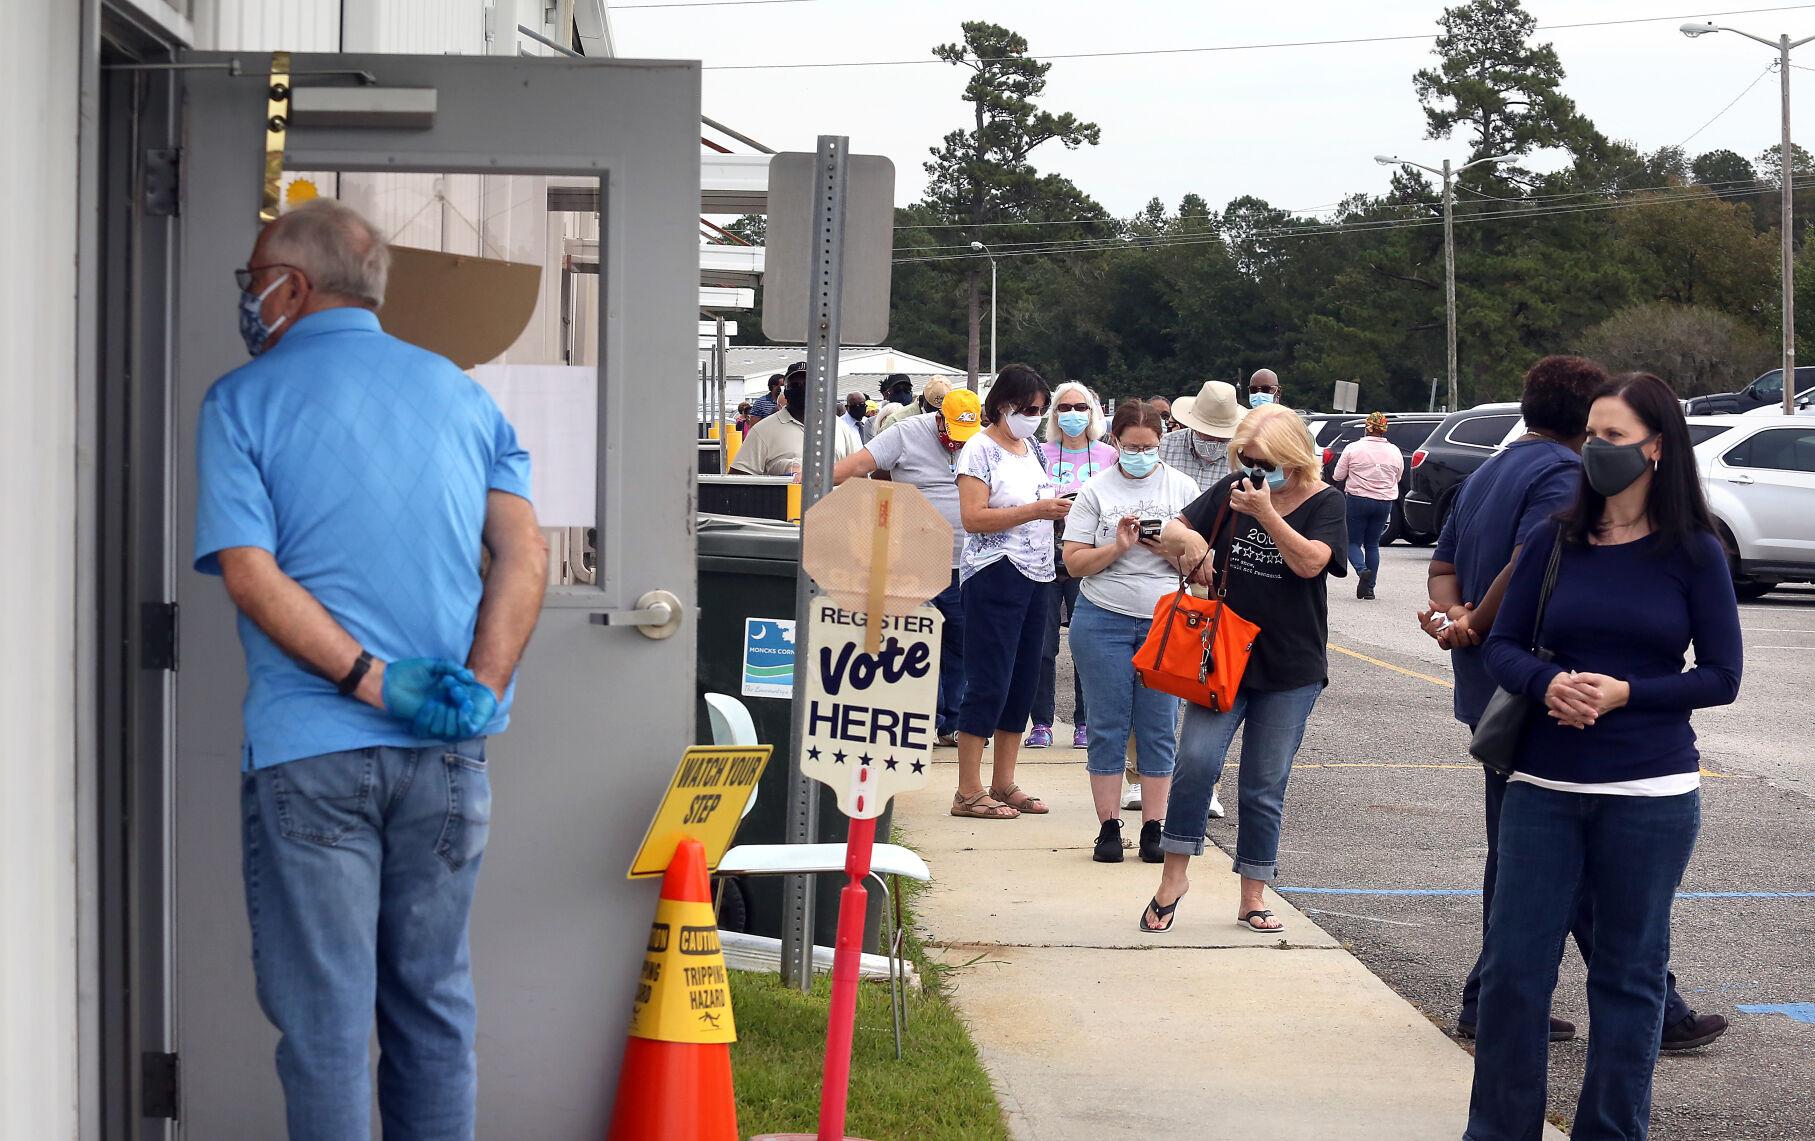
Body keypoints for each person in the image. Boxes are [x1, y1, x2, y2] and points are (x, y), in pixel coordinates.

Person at [196, 199, 548, 1137]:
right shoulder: (463, 394)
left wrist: (363, 678)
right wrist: (481, 683)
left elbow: (248, 568)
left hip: (310, 751)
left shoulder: (242, 400)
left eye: (253, 279)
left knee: (325, 1026)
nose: (250, 298)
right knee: (432, 1007)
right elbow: (524, 553)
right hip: (447, 751)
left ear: (293, 286)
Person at [1419, 355, 1726, 1054]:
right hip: (1537, 711)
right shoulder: (1562, 480)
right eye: (1593, 430)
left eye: (1609, 434)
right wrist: (1477, 627)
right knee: (1556, 880)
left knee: (1533, 875)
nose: (1596, 450)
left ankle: (1494, 997)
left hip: (1503, 708)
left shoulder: (1489, 469)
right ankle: (1636, 1006)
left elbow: (1443, 568)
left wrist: (1453, 619)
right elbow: (1523, 565)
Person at [1142, 403, 1347, 933]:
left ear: (1292, 457)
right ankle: (1174, 877)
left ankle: (1253, 893)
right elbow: (1173, 529)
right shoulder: (1236, 488)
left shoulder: (1327, 502)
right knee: (1194, 762)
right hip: (1223, 657)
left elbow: (1311, 563)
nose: (1254, 472)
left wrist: (1266, 513)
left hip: (1291, 666)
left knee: (1263, 782)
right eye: (1246, 460)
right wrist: (1190, 548)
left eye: (1263, 461)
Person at [1062, 400, 1200, 863]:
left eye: (1149, 447)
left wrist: (1166, 551)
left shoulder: (1182, 487)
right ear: (1114, 442)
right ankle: (1108, 828)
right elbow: (1075, 562)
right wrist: (1117, 548)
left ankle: (1154, 828)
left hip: (1165, 617)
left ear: (1161, 443)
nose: (1139, 454)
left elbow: (1202, 566)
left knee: (1160, 723)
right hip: (1103, 614)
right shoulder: (1095, 490)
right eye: (1130, 446)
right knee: (1107, 724)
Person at [833, 388, 984, 748]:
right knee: (917, 645)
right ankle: (920, 720)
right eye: (952, 434)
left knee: (962, 647)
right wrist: (807, 480)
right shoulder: (906, 432)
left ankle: (954, 723)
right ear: (938, 415)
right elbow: (856, 467)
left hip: (967, 564)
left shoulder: (981, 441)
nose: (956, 444)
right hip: (915, 564)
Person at [950, 363, 1069, 820]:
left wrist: (1056, 508)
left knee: (1024, 677)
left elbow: (1040, 502)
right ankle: (967, 788)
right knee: (989, 678)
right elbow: (974, 518)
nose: (1034, 416)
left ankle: (1003, 781)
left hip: (1038, 573)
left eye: (1040, 410)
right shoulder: (979, 450)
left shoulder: (1032, 447)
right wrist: (1036, 509)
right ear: (1003, 405)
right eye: (1027, 409)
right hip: (994, 571)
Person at [1149, 379, 1246, 816]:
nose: (1212, 442)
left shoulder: (1243, 458)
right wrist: (1183, 553)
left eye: (1220, 436)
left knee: (1212, 684)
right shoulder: (1163, 448)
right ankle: (1143, 772)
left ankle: (1207, 781)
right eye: (1206, 432)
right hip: (1165, 571)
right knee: (1162, 675)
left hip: (1222, 582)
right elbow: (1154, 518)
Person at [1028, 382, 1117, 750]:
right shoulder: (1039, 452)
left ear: (1093, 412)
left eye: (1080, 407)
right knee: (1042, 646)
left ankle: (1085, 721)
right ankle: (1041, 723)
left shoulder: (1108, 456)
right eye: (1064, 408)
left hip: (1089, 561)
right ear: (1053, 414)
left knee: (1087, 646)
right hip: (1043, 557)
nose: (1072, 414)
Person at [729, 363, 861, 476]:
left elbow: (859, 474)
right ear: (785, 392)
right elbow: (738, 480)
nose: (802, 389)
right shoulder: (762, 431)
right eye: (795, 385)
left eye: (809, 384)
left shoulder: (841, 428)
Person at [1334, 411, 1404, 600]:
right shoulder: (1395, 451)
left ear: (1367, 427)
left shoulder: (1353, 448)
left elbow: (1338, 475)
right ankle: (1369, 588)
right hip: (1385, 502)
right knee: (1372, 544)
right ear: (1384, 430)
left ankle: (1361, 569)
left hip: (1358, 499)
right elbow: (1398, 477)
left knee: (1352, 541)